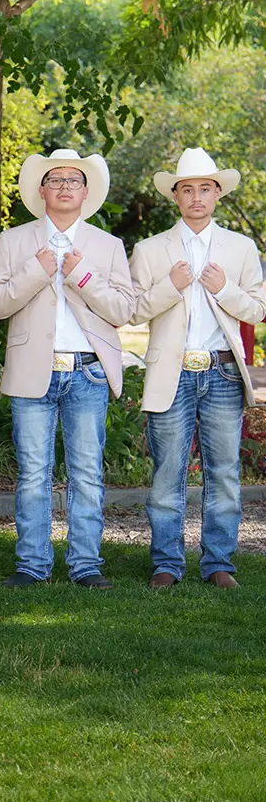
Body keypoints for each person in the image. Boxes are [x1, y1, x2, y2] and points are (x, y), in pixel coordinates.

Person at [0, 149, 135, 589]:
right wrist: (37, 270)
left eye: (74, 180)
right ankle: (32, 564)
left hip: (87, 371)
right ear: (42, 190)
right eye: (56, 179)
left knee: (86, 472)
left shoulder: (107, 246)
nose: (65, 186)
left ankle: (86, 565)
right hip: (33, 370)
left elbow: (123, 310)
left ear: (86, 192)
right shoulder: (14, 241)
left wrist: (81, 275)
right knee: (33, 473)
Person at [130, 148, 266, 589]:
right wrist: (170, 287)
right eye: (187, 189)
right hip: (172, 372)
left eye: (205, 189)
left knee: (223, 471)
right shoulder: (151, 250)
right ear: (175, 196)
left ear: (217, 194)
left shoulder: (241, 249)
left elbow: (258, 309)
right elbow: (133, 311)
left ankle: (219, 563)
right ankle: (167, 563)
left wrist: (224, 289)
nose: (196, 197)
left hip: (222, 371)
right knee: (167, 471)